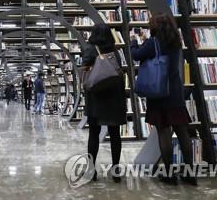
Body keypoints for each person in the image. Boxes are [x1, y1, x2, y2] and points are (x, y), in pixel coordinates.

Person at [130, 13, 197, 186]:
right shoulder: (176, 42)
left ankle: (169, 174)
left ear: (154, 27)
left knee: (164, 132)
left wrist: (134, 41)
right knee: (182, 132)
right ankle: (190, 174)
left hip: (159, 93)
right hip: (175, 93)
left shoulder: (153, 43)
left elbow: (136, 55)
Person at [81, 23, 126, 182]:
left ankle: (92, 171)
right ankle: (115, 171)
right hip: (114, 97)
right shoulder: (115, 51)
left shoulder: (91, 49)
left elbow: (85, 69)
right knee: (115, 134)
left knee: (94, 133)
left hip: (96, 97)